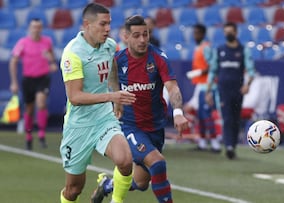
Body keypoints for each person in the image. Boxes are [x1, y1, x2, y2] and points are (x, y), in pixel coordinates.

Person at [91, 15, 188, 203]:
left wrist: (178, 113)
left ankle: (107, 185)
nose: (142, 40)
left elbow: (172, 87)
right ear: (126, 37)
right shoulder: (118, 60)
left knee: (141, 183)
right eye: (136, 35)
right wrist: (116, 98)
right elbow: (110, 77)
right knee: (158, 163)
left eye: (145, 34)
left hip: (155, 127)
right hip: (129, 126)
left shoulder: (158, 57)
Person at [58, 3, 136, 203]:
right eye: (103, 24)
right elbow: (75, 97)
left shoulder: (110, 45)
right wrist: (112, 97)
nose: (108, 28)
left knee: (125, 161)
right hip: (79, 126)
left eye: (109, 23)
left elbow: (112, 69)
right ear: (87, 24)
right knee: (74, 189)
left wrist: (115, 96)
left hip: (103, 117)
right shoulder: (73, 53)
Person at [206, 22, 255, 159]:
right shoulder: (220, 50)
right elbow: (213, 71)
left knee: (236, 118)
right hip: (223, 90)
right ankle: (228, 146)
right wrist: (209, 91)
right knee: (227, 117)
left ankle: (233, 145)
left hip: (237, 90)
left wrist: (247, 85)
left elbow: (251, 70)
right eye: (226, 32)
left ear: (236, 32)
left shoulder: (243, 50)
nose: (228, 34)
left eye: (230, 32)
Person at [9, 18, 58, 150]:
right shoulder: (23, 43)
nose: (36, 29)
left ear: (41, 28)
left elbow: (52, 58)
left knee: (41, 104)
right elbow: (13, 61)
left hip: (43, 78)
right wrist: (13, 82)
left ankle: (41, 134)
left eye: (38, 27)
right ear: (30, 28)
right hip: (28, 79)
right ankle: (29, 136)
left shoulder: (47, 42)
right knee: (29, 109)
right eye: (34, 27)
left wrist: (52, 63)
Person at [185, 23, 221, 153]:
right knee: (199, 115)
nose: (195, 36)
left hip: (207, 86)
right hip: (200, 85)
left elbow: (212, 66)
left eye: (197, 33)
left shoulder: (206, 48)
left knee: (206, 115)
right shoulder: (198, 48)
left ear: (202, 34)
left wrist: (199, 73)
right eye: (194, 33)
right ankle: (202, 142)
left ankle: (215, 142)